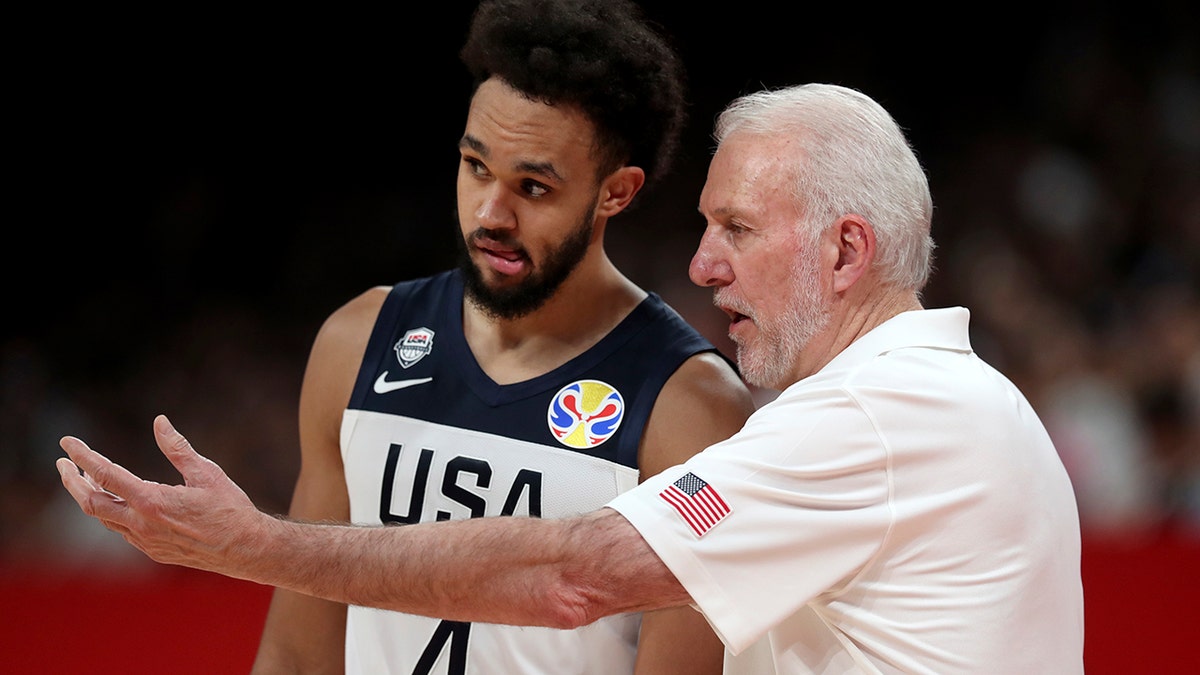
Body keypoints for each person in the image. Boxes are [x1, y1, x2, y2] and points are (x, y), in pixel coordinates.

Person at [57, 82, 1085, 673]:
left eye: (736, 229)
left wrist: (261, 547)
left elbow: (572, 575)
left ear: (846, 253)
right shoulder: (948, 400)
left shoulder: (877, 416)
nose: (702, 264)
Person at [191, 1, 757, 673]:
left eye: (533, 186)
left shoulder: (692, 409)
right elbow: (296, 654)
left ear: (617, 192)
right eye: (476, 166)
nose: (491, 212)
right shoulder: (359, 340)